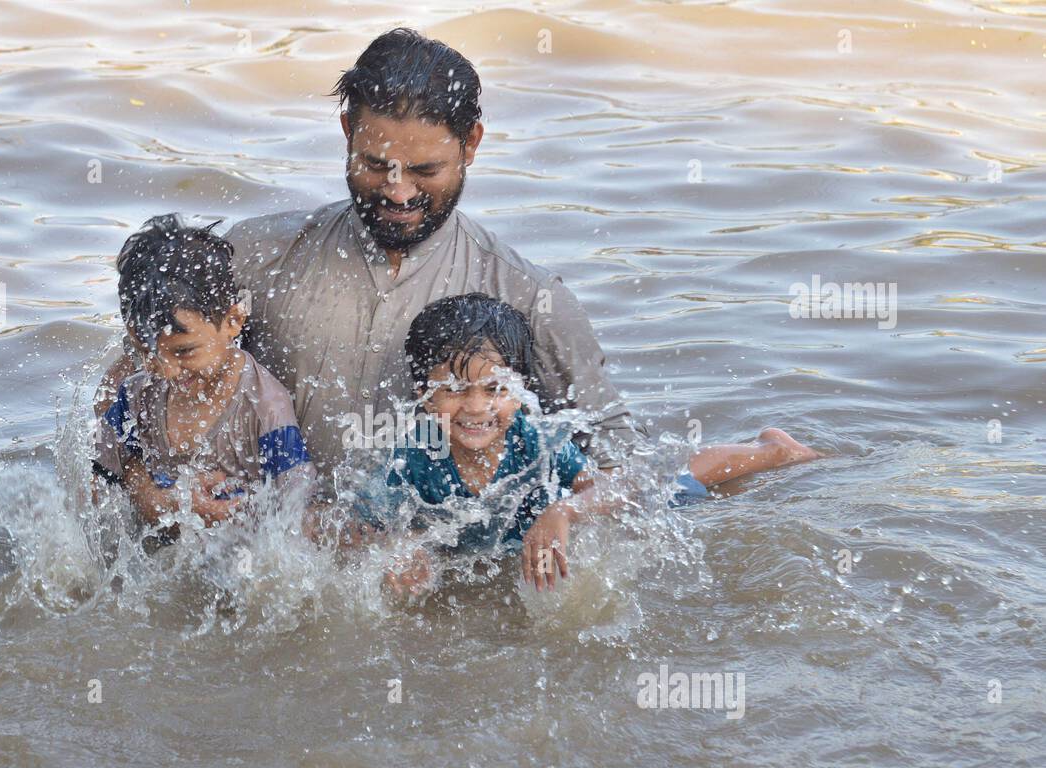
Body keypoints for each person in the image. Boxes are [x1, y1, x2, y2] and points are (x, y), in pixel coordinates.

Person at [223, 28, 641, 479]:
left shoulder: (529, 297)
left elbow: (618, 469)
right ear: (347, 131)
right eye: (376, 165)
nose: (399, 193)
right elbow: (144, 384)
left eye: (426, 170)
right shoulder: (255, 258)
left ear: (472, 145)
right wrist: (155, 491)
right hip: (274, 537)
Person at [359, 295, 818, 597]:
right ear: (423, 393)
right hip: (498, 547)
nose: (476, 408)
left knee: (668, 486)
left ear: (521, 392)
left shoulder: (538, 442)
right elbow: (363, 523)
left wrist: (562, 513)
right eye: (455, 390)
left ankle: (771, 450)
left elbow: (612, 490)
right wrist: (403, 545)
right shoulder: (414, 454)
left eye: (496, 389)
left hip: (579, 511)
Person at [91, 215, 314, 539]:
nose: (164, 371)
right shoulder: (138, 393)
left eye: (184, 352)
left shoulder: (264, 407)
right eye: (146, 352)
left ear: (233, 321)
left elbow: (296, 515)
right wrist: (151, 497)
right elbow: (99, 470)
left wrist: (237, 517)